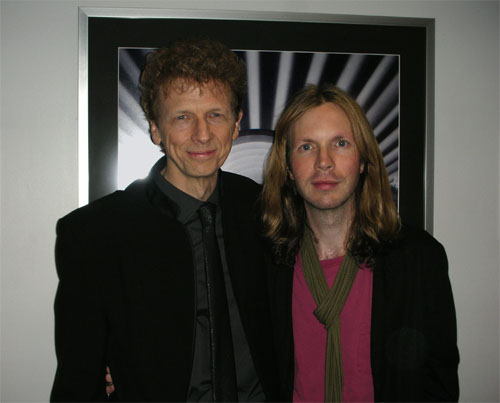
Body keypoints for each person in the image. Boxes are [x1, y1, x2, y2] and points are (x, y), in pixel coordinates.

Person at [51, 38, 279, 402]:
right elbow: (77, 381)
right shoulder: (94, 234)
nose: (202, 134)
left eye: (215, 115)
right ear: (156, 128)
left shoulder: (267, 212)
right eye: (183, 117)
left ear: (236, 124)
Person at [261, 84, 459, 402]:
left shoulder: (419, 258)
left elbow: (438, 386)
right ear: (288, 169)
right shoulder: (267, 263)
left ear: (363, 160)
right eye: (307, 147)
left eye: (340, 143)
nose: (324, 162)